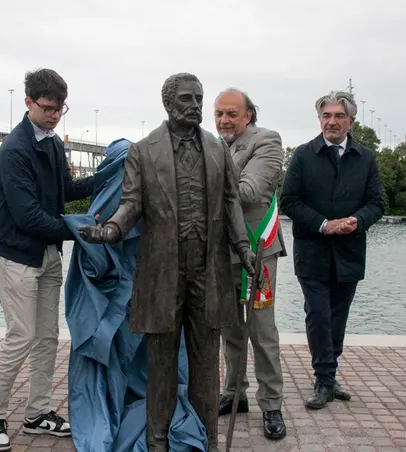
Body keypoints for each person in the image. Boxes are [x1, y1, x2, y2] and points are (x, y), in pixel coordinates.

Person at [77, 72, 256, 452]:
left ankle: (206, 438)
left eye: (198, 99)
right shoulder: (143, 151)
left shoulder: (217, 149)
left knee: (206, 365)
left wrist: (243, 247)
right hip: (162, 274)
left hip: (208, 272)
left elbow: (231, 203)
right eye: (188, 100)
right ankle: (158, 441)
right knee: (160, 366)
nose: (195, 107)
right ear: (169, 104)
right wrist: (110, 231)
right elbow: (130, 206)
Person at [0, 68, 95, 452]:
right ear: (28, 102)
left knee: (48, 337)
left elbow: (67, 189)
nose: (54, 115)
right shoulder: (13, 149)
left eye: (61, 109)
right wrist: (82, 230)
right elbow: (27, 215)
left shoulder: (53, 143)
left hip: (46, 254)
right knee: (21, 336)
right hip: (15, 255)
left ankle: (38, 412)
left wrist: (108, 174)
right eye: (47, 108)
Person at [279, 90, 384, 410]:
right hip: (312, 250)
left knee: (338, 317)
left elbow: (378, 202)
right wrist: (325, 224)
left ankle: (329, 372)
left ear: (351, 120)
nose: (332, 121)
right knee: (319, 315)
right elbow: (289, 202)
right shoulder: (302, 155)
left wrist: (357, 220)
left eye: (339, 116)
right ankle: (324, 379)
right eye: (326, 115)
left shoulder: (365, 157)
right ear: (319, 119)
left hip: (350, 250)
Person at [214, 88, 287, 439]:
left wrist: (195, 186)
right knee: (229, 328)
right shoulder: (213, 144)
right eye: (218, 114)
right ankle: (234, 392)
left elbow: (249, 192)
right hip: (221, 252)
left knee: (262, 332)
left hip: (258, 250)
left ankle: (271, 405)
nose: (224, 120)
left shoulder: (267, 141)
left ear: (248, 115)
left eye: (231, 114)